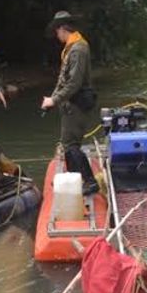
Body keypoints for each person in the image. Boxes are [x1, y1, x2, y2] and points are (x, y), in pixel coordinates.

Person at [40, 11, 99, 195]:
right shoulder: (71, 48)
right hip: (69, 104)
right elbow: (63, 80)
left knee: (70, 144)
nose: (56, 35)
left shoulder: (79, 49)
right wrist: (51, 100)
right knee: (68, 144)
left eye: (57, 31)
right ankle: (75, 179)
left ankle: (89, 181)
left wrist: (55, 99)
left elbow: (74, 83)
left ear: (62, 29)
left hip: (78, 104)